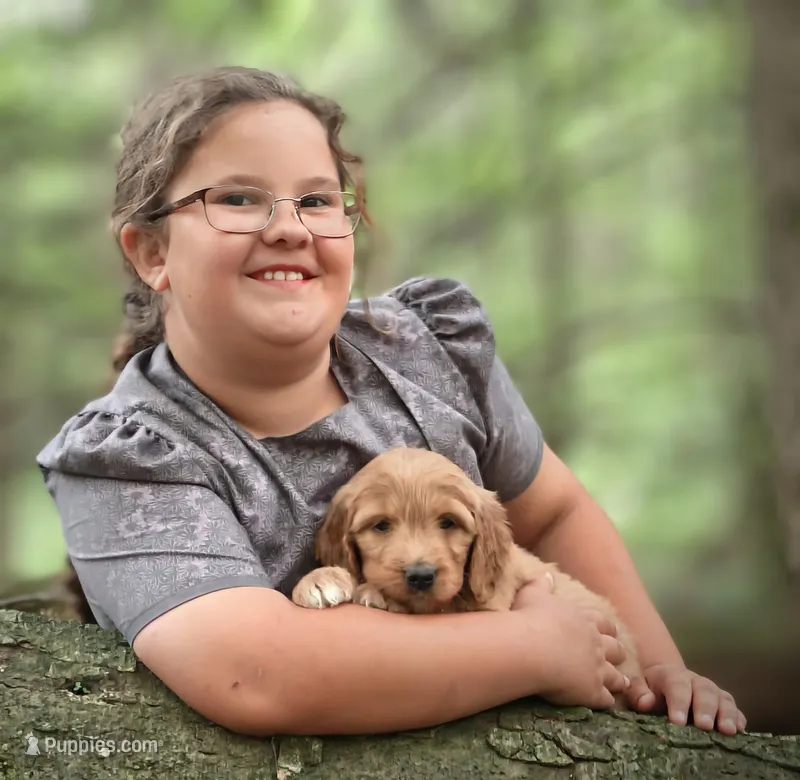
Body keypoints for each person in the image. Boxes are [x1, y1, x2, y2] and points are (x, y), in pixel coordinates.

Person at [36, 65, 745, 738]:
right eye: (239, 198)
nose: (289, 226)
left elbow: (553, 511)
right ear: (151, 252)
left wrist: (660, 674)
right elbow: (257, 674)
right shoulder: (130, 458)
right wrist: (533, 646)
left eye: (317, 199)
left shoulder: (422, 350)